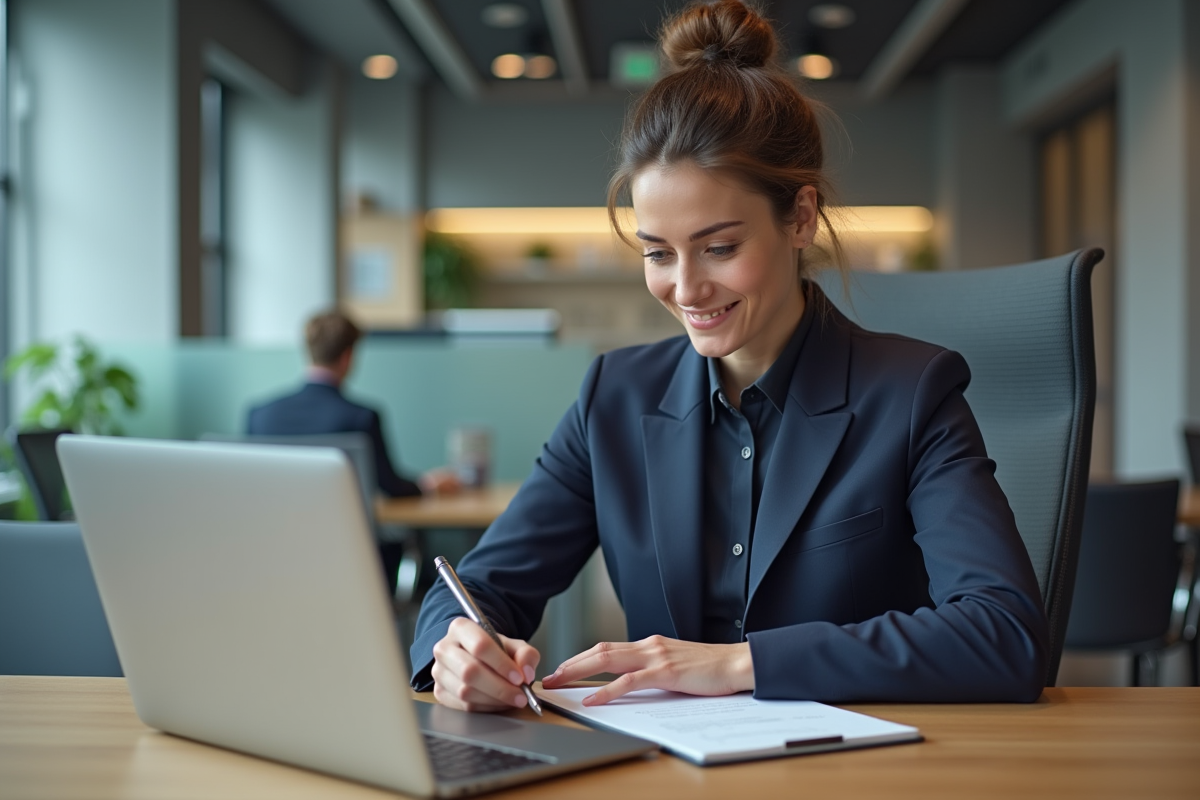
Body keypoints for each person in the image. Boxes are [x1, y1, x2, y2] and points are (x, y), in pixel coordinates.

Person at [410, 0, 1049, 711]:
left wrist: (742, 664)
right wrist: (457, 646)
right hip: (665, 772)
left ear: (800, 218)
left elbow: (1004, 634)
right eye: (658, 253)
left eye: (719, 248)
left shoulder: (911, 393)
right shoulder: (613, 397)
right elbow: (480, 585)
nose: (686, 288)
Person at [247, 310, 460, 591]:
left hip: (273, 559)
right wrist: (429, 485)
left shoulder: (259, 415)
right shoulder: (361, 417)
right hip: (349, 562)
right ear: (348, 356)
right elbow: (391, 486)